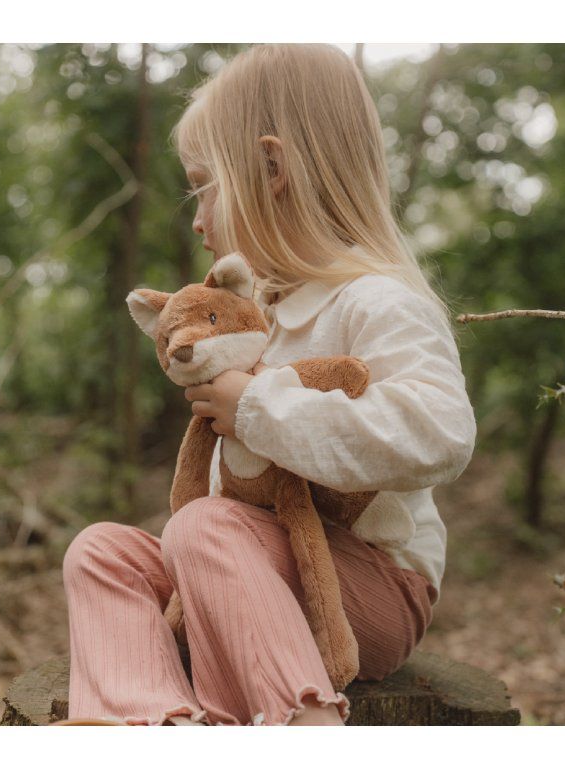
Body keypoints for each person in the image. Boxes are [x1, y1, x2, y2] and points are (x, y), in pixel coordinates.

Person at [62, 43, 476, 726]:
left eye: (204, 186)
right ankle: (150, 722)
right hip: (243, 561)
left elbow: (441, 435)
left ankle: (301, 721)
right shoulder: (259, 315)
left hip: (368, 588)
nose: (197, 218)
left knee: (205, 526)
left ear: (272, 169)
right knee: (102, 551)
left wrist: (256, 407)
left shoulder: (375, 301)